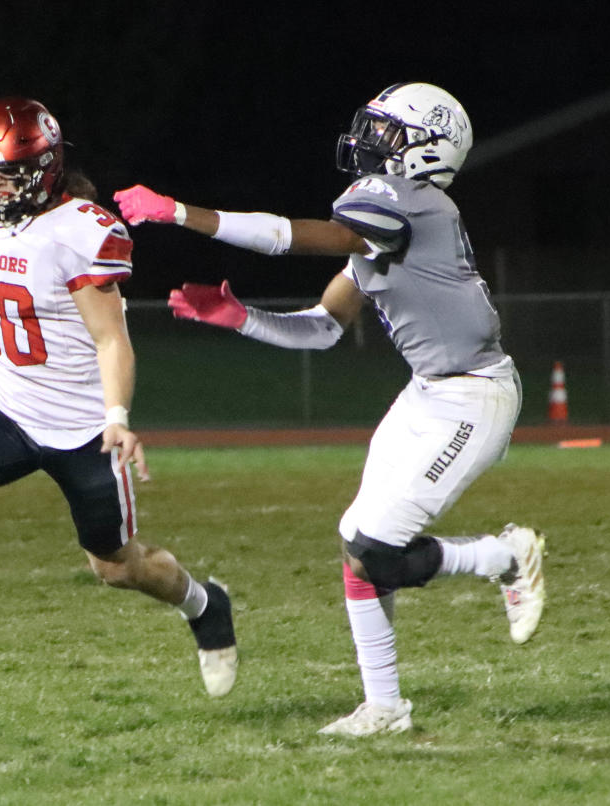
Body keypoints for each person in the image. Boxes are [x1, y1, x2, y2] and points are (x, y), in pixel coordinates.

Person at [113, 82, 545, 735]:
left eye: (391, 133)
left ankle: (501, 557)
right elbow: (322, 328)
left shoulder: (409, 203)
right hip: (431, 390)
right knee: (358, 544)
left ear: (429, 151)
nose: (374, 142)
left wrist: (181, 213)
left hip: (474, 392)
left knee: (376, 545)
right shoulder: (383, 227)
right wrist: (240, 318)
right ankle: (385, 706)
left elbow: (294, 237)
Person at [0, 97, 237, 698]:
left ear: (44, 169)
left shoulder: (82, 231)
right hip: (6, 405)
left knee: (118, 568)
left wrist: (117, 417)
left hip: (82, 426)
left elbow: (111, 338)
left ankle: (204, 604)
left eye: (7, 173)